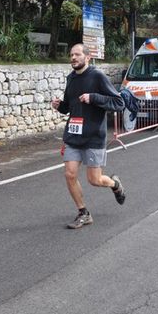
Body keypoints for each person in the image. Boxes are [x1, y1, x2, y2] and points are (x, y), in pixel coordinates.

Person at [51, 43, 126, 229]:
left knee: (95, 180)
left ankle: (114, 184)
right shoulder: (71, 78)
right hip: (73, 136)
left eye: (77, 54)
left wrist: (93, 97)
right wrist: (59, 105)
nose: (73, 58)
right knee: (69, 174)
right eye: (71, 55)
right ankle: (83, 212)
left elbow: (119, 103)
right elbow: (69, 106)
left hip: (93, 136)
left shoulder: (97, 76)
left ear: (87, 57)